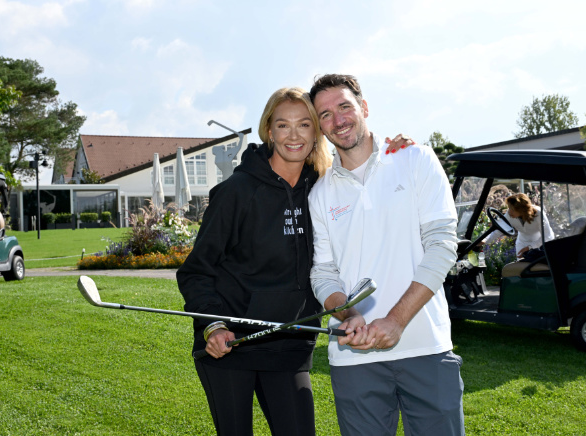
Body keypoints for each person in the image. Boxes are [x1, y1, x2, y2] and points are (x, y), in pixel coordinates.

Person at [176, 86, 413, 436]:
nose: (293, 135)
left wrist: (394, 152)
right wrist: (212, 325)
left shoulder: (321, 189)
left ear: (316, 131)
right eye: (283, 125)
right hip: (231, 345)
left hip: (289, 345)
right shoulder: (236, 192)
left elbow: (367, 174)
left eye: (304, 125)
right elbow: (196, 271)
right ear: (269, 130)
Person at [308, 74, 465, 436]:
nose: (338, 119)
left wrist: (395, 321)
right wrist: (348, 314)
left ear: (364, 108)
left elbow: (441, 245)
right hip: (353, 357)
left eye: (344, 106)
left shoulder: (415, 159)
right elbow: (324, 273)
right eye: (326, 114)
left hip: (425, 346)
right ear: (320, 127)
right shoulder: (320, 194)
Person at [484, 192, 554, 258]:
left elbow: (548, 236)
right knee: (521, 268)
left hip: (541, 245)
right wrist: (484, 241)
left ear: (522, 209)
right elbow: (498, 230)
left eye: (512, 209)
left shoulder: (538, 213)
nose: (509, 211)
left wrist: (530, 247)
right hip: (522, 243)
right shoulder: (509, 215)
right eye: (509, 208)